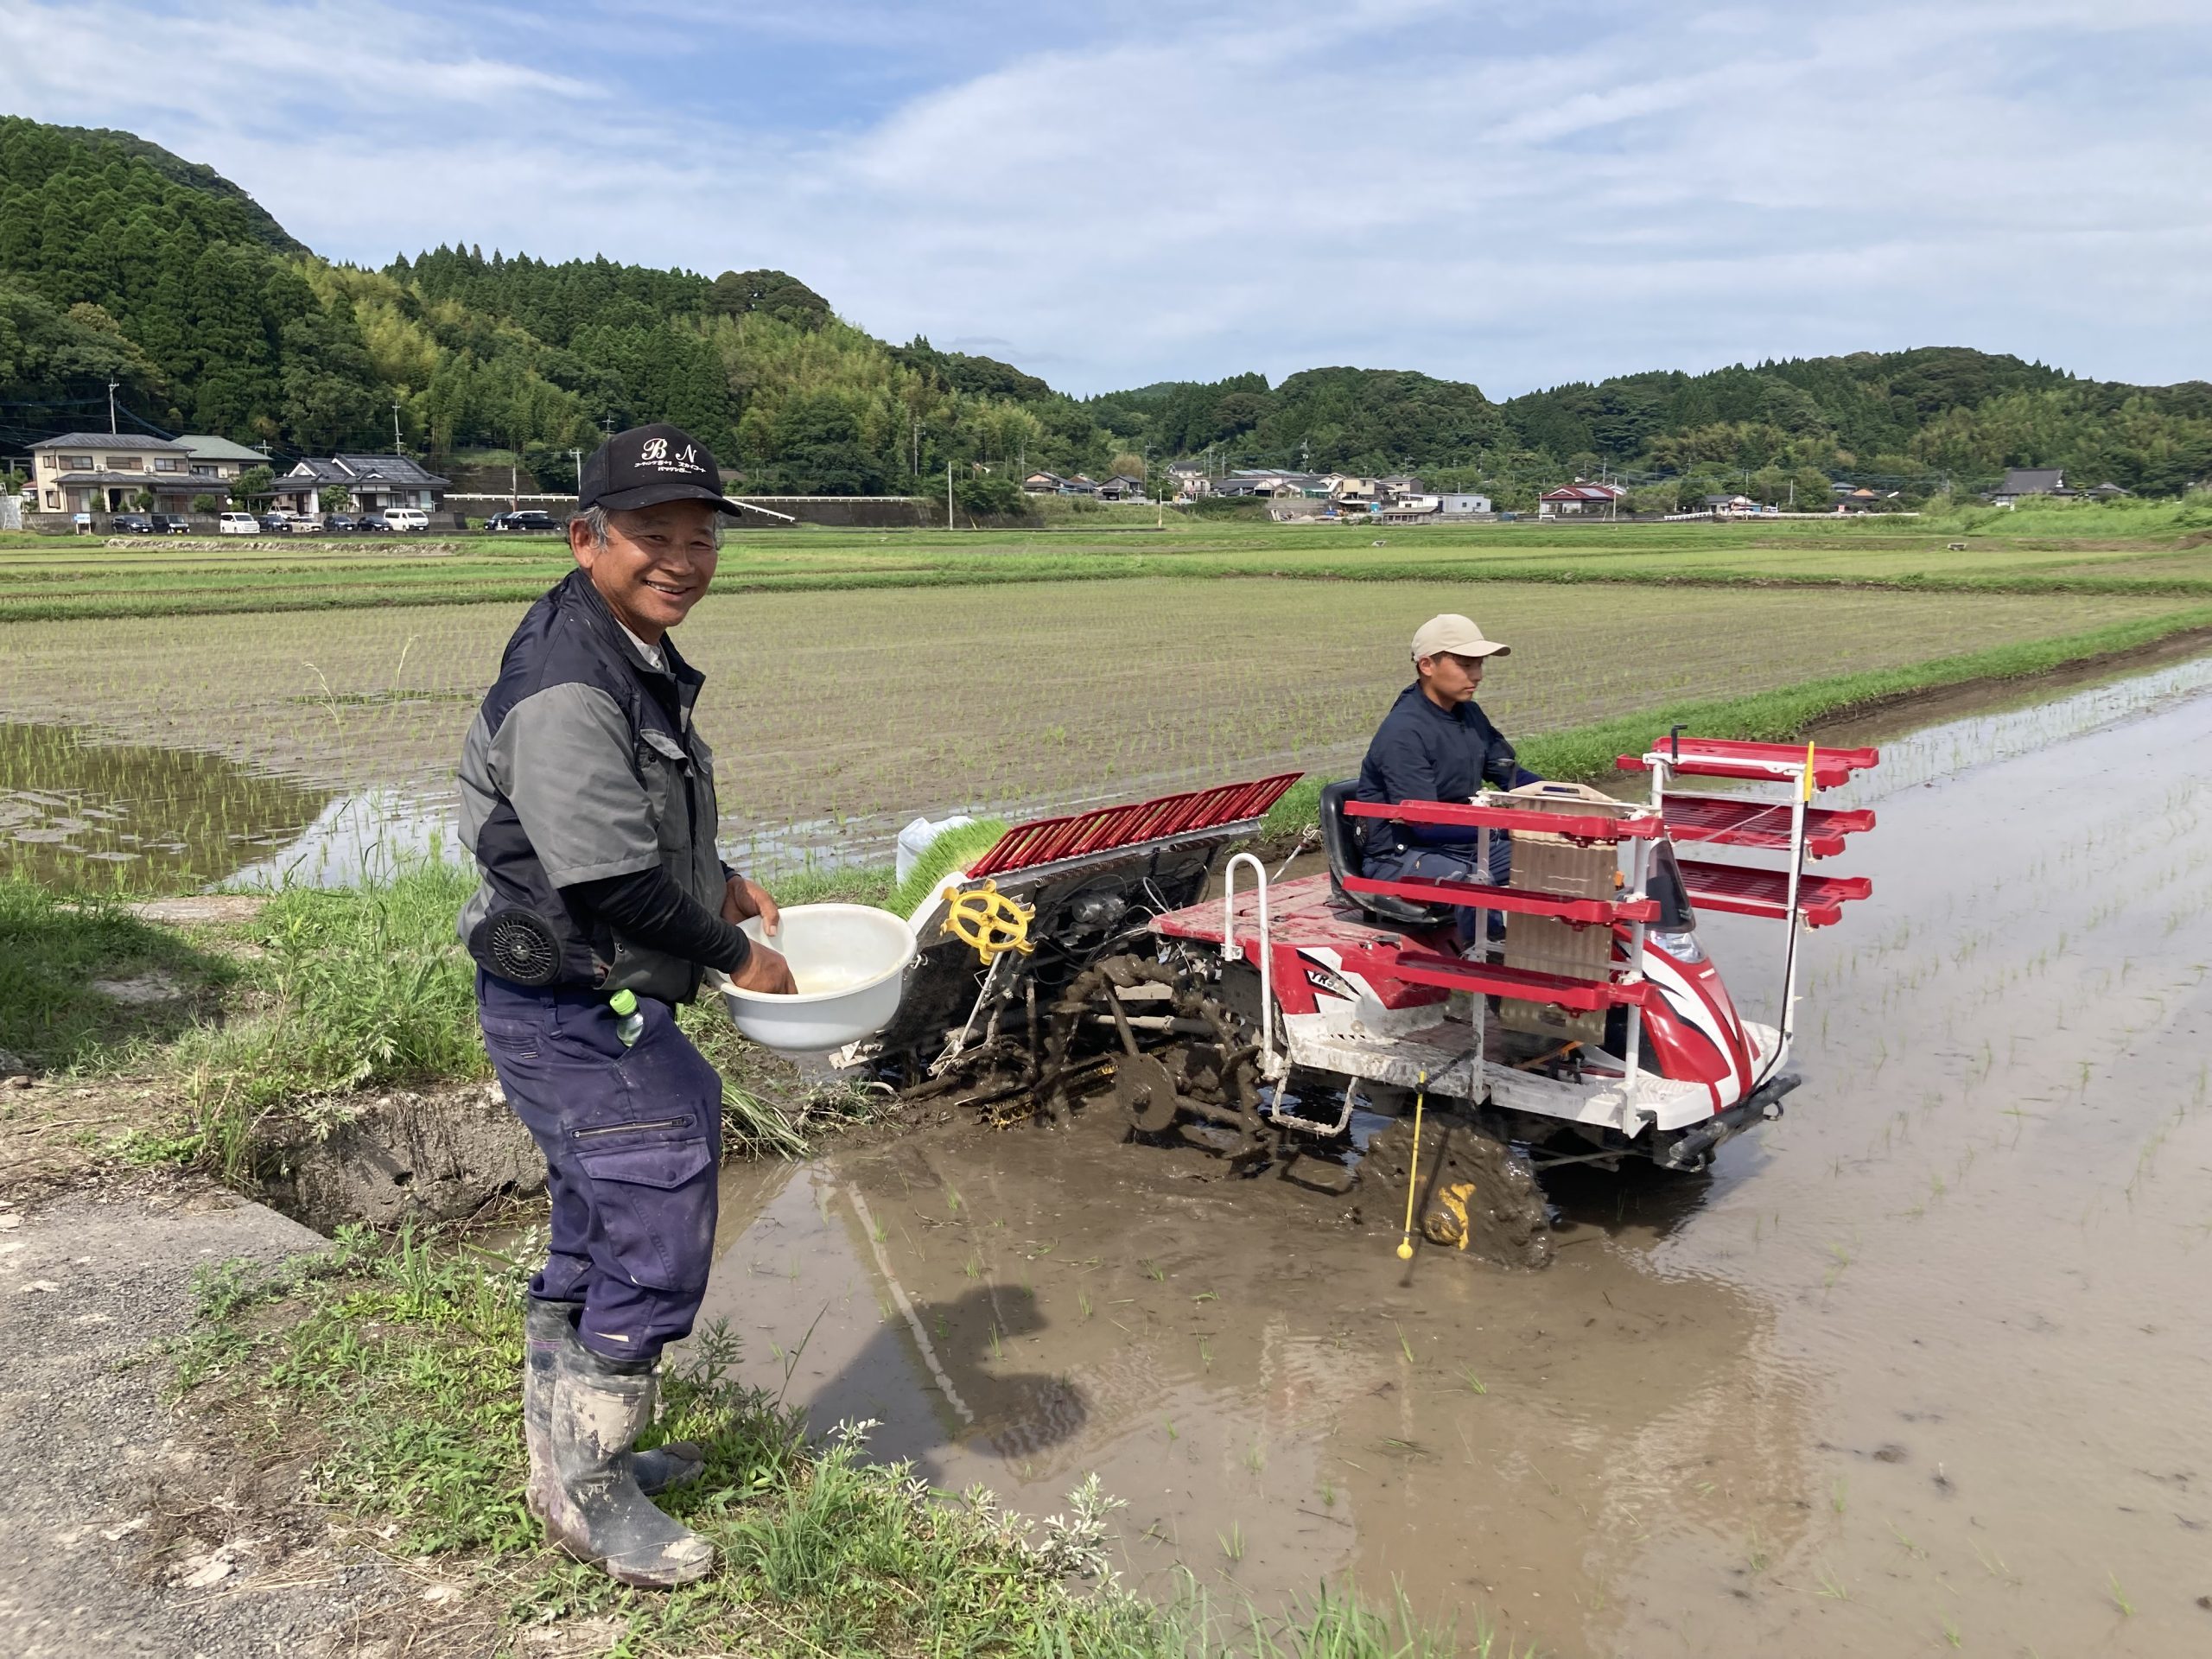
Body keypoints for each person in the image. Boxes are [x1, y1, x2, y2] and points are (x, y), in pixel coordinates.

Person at [454, 422, 796, 1588]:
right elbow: (602, 876)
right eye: (655, 536)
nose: (685, 560)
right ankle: (589, 1495)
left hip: (589, 992)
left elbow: (623, 823)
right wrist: (730, 948)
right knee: (653, 1212)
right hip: (572, 1000)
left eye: (702, 538)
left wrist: (721, 875)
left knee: (605, 1209)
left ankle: (568, 1457)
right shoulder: (570, 680)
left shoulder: (618, 644)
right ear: (585, 536)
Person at [1353, 613, 1540, 896]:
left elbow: (1511, 776)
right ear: (1427, 665)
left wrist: (1569, 798)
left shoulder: (1469, 714)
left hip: (1463, 846)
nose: (1477, 675)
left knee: (1557, 857)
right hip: (1403, 857)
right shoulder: (1404, 732)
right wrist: (1508, 824)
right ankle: (1485, 941)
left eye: (1479, 664)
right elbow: (1426, 825)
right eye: (1465, 665)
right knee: (1473, 883)